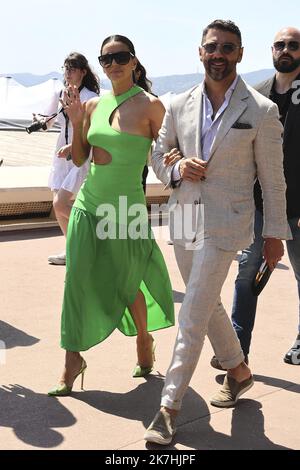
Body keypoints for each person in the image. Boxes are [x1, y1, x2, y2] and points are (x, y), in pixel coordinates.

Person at [145, 19, 291, 445]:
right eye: (212, 47)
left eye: (228, 47)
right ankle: (239, 369)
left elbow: (274, 179)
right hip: (185, 218)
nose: (219, 54)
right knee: (205, 304)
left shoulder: (261, 111)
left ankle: (168, 408)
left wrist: (275, 234)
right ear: (200, 51)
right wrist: (176, 167)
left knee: (191, 313)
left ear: (240, 54)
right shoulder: (176, 104)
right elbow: (157, 155)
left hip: (228, 223)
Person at [48, 35, 174, 396]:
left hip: (125, 208)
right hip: (89, 205)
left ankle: (143, 341)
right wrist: (74, 119)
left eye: (120, 57)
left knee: (129, 280)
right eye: (106, 59)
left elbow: (167, 152)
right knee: (76, 280)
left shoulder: (152, 106)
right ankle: (73, 360)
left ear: (134, 61)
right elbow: (78, 158)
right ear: (100, 66)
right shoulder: (91, 107)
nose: (113, 64)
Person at [210, 27, 300, 371]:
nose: (286, 50)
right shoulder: (256, 94)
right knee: (247, 274)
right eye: (280, 45)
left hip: (299, 207)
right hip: (260, 206)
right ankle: (236, 353)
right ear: (271, 49)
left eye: (293, 45)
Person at [35, 52, 99, 265]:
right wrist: (40, 122)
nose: (68, 73)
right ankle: (73, 249)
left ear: (83, 72)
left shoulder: (91, 97)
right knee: (57, 206)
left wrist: (74, 146)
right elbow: (48, 122)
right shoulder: (59, 93)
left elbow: (93, 131)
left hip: (80, 155)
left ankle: (94, 239)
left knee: (61, 204)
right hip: (60, 155)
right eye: (65, 69)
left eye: (72, 69)